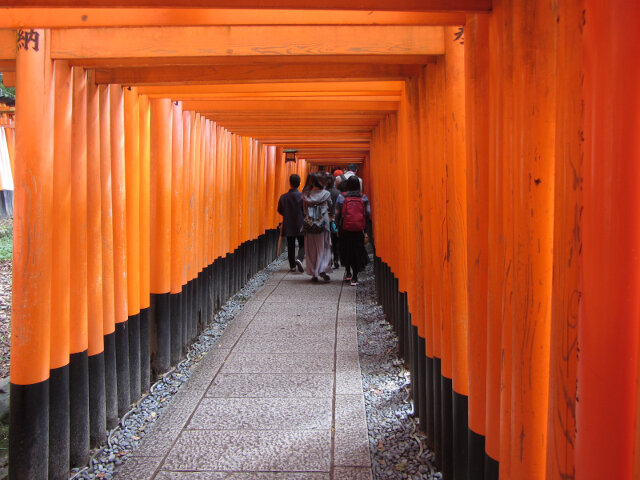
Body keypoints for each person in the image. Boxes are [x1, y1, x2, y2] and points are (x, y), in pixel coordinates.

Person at [335, 175, 370, 286]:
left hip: (345, 228)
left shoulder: (341, 197)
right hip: (359, 228)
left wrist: (337, 226)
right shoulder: (363, 197)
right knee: (357, 250)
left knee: (346, 250)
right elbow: (368, 213)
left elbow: (337, 213)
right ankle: (355, 276)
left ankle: (348, 273)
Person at [302, 172, 333, 282]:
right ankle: (321, 269)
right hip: (322, 223)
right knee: (323, 247)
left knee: (310, 249)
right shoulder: (326, 194)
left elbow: (304, 209)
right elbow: (330, 205)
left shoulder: (306, 195)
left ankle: (313, 272)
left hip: (310, 223)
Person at [277, 174, 305, 273]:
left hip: (288, 224)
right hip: (300, 223)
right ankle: (300, 259)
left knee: (291, 245)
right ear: (299, 183)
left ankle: (292, 266)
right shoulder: (302, 197)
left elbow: (280, 210)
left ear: (290, 183)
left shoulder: (283, 197)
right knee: (303, 244)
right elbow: (305, 210)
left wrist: (287, 214)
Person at [327, 174, 341, 269]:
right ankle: (336, 259)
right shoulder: (338, 192)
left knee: (327, 241)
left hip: (325, 219)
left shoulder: (324, 193)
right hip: (336, 219)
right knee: (336, 241)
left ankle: (330, 260)